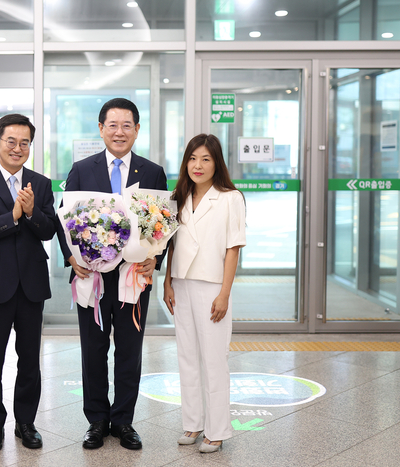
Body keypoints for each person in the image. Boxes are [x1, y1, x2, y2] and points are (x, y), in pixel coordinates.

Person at [56, 98, 167, 450]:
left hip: (135, 276)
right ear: (101, 128)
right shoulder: (81, 169)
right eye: (113, 125)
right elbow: (65, 219)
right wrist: (70, 257)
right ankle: (97, 421)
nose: (120, 132)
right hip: (93, 275)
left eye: (127, 125)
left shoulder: (152, 171)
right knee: (93, 347)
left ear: (137, 129)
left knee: (130, 350)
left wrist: (155, 259)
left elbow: (161, 222)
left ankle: (123, 421)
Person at [0, 114, 57, 453]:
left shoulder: (41, 183)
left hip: (31, 283)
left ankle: (26, 423)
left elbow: (49, 231)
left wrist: (32, 213)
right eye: (11, 141)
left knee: (30, 359)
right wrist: (13, 217)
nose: (18, 148)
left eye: (25, 143)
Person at [163, 133, 246, 453]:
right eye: (193, 159)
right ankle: (193, 423)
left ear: (217, 163)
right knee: (187, 358)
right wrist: (168, 281)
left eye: (206, 159)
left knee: (214, 360)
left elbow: (233, 249)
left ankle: (217, 430)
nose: (198, 165)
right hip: (181, 284)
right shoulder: (178, 196)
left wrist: (225, 293)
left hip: (212, 286)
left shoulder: (230, 198)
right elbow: (171, 244)